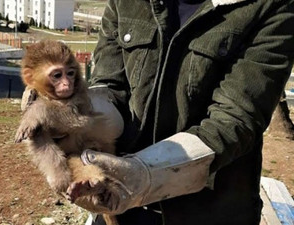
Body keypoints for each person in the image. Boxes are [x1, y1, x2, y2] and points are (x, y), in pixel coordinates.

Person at [73, 0, 294, 224]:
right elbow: (110, 85)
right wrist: (78, 118)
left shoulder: (269, 7)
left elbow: (235, 118)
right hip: (121, 209)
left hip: (209, 212)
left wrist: (144, 175)